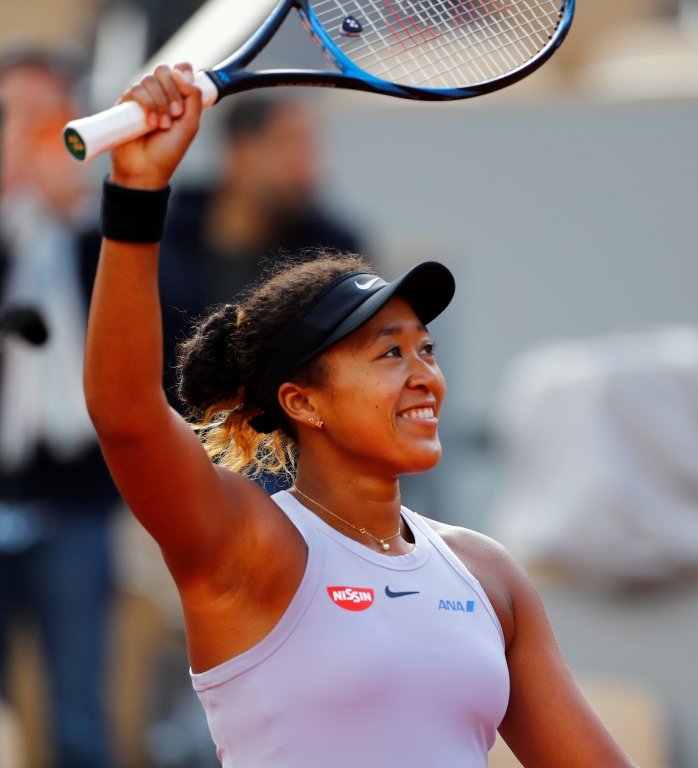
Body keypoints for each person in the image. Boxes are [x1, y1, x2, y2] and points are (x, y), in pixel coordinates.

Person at [84, 62, 636, 767]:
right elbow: (126, 415)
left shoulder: (486, 574)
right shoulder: (248, 547)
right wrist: (137, 192)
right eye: (389, 354)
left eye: (427, 349)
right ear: (302, 401)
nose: (425, 378)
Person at [0, 52, 117, 768]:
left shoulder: (106, 227)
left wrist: (81, 223)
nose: (30, 134)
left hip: (74, 499)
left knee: (78, 711)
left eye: (47, 116)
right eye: (12, 116)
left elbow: (160, 327)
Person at [158, 94, 363, 495]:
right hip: (165, 461)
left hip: (288, 465)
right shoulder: (163, 236)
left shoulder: (334, 247)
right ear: (239, 149)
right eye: (290, 143)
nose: (310, 165)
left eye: (312, 144)